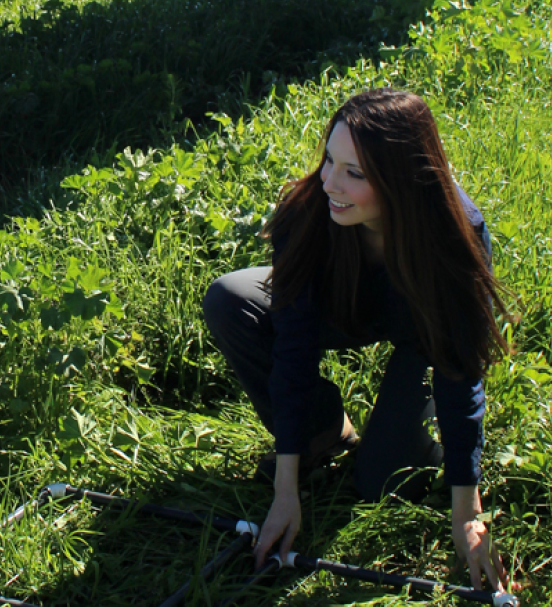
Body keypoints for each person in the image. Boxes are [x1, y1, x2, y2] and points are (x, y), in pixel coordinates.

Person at [202, 88, 511, 593]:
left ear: (402, 179)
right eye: (329, 160)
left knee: (382, 484)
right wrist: (287, 486)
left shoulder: (456, 232)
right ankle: (325, 432)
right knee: (228, 298)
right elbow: (293, 350)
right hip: (343, 308)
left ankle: (413, 417)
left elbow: (461, 371)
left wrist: (467, 513)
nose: (329, 182)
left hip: (419, 333)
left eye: (355, 173)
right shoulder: (310, 211)